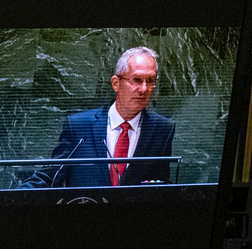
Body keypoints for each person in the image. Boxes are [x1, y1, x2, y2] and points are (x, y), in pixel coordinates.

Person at [24, 47, 175, 188]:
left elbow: (161, 184)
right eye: (136, 80)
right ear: (116, 83)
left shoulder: (162, 129)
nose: (144, 89)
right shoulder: (78, 126)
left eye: (150, 81)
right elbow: (50, 176)